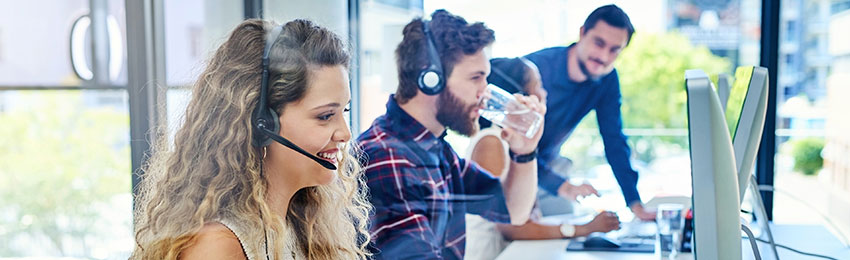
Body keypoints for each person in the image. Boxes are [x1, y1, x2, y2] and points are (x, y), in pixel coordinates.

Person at [131, 19, 372, 259]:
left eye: (344, 111)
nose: (345, 133)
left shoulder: (300, 227)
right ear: (262, 123)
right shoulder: (218, 247)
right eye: (325, 115)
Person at [358, 10, 545, 259]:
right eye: (475, 78)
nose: (485, 92)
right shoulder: (387, 157)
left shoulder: (435, 149)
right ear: (430, 79)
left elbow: (513, 210)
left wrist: (525, 151)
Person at [464, 57, 620, 260]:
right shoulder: (491, 143)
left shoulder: (513, 141)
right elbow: (512, 227)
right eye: (539, 86)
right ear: (518, 96)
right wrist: (584, 228)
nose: (545, 94)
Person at [523, 4, 655, 220]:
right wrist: (562, 186)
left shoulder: (607, 79)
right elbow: (506, 143)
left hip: (550, 167)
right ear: (583, 33)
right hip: (511, 165)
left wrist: (635, 203)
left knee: (562, 234)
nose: (603, 56)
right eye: (599, 43)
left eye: (614, 50)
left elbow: (614, 140)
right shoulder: (535, 69)